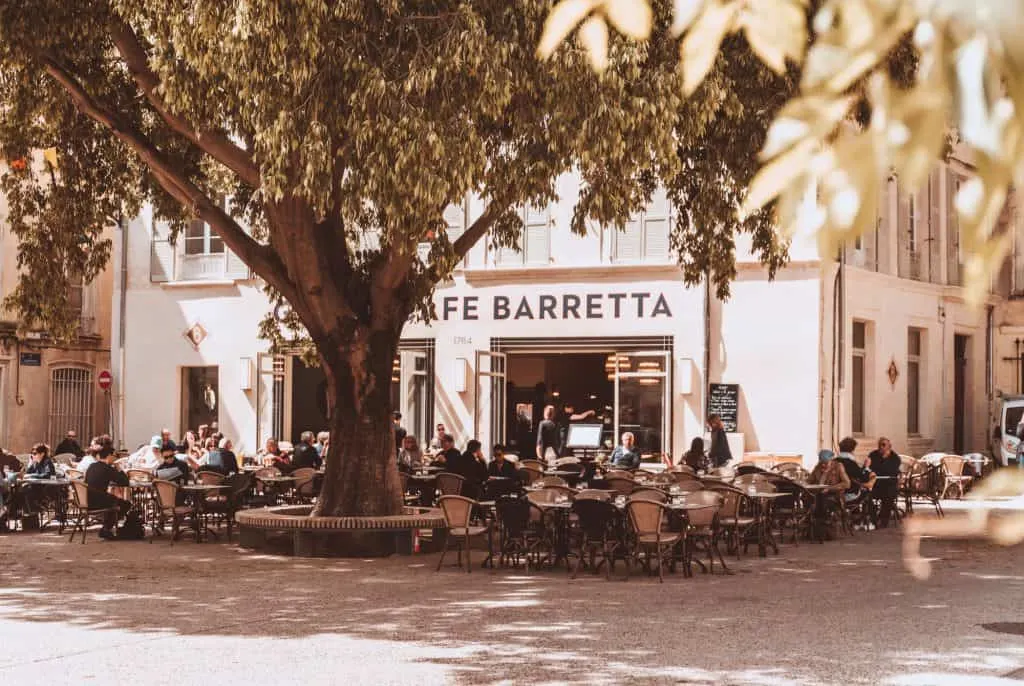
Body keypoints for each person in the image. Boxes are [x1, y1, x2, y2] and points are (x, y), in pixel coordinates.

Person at [85, 446, 131, 540]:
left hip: (86, 500)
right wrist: (118, 467)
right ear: (109, 456)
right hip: (98, 502)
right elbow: (125, 482)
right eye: (114, 456)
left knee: (112, 499)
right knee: (125, 504)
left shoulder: (91, 466)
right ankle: (106, 528)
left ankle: (106, 528)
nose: (115, 458)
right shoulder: (107, 468)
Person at [867, 437, 901, 528]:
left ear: (889, 446)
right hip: (876, 484)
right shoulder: (873, 455)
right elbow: (869, 468)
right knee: (866, 495)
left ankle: (883, 520)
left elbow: (891, 471)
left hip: (888, 484)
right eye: (879, 445)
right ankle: (873, 518)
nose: (881, 447)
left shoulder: (895, 458)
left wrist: (884, 461)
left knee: (888, 495)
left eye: (883, 445)